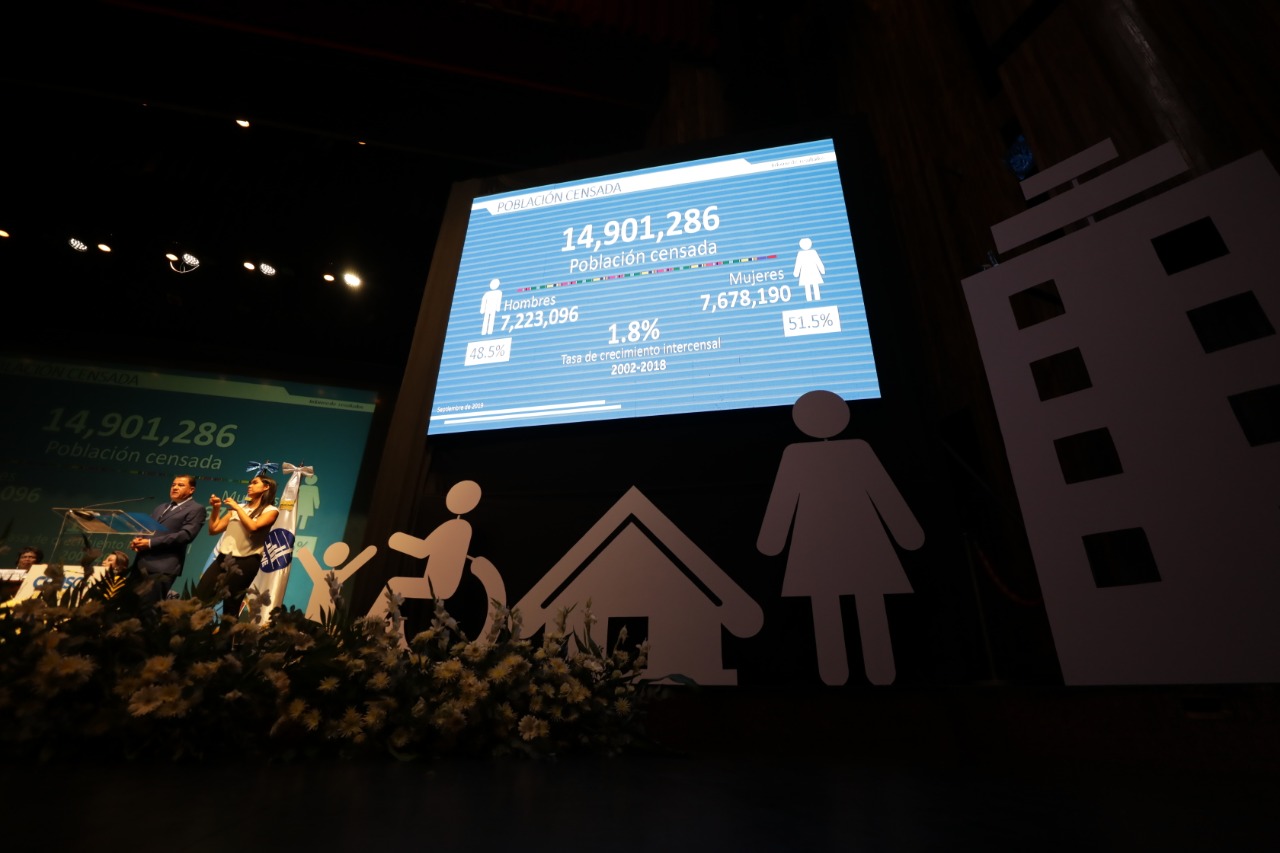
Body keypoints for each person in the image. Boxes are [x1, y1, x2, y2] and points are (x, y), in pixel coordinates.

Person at [195, 475, 279, 617]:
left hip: (246, 562)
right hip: (223, 559)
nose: (249, 485)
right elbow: (214, 529)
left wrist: (237, 508)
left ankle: (226, 631)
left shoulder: (270, 510)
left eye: (254, 483)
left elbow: (253, 527)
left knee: (231, 605)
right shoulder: (238, 508)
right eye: (250, 483)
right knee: (200, 596)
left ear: (266, 487)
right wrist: (216, 508)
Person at [130, 474, 206, 605]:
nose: (175, 488)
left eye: (180, 485)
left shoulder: (196, 509)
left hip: (162, 568)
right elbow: (147, 528)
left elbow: (185, 535)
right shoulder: (161, 507)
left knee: (148, 609)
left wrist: (150, 543)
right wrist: (138, 539)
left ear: (191, 490)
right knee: (128, 607)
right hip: (140, 564)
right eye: (173, 485)